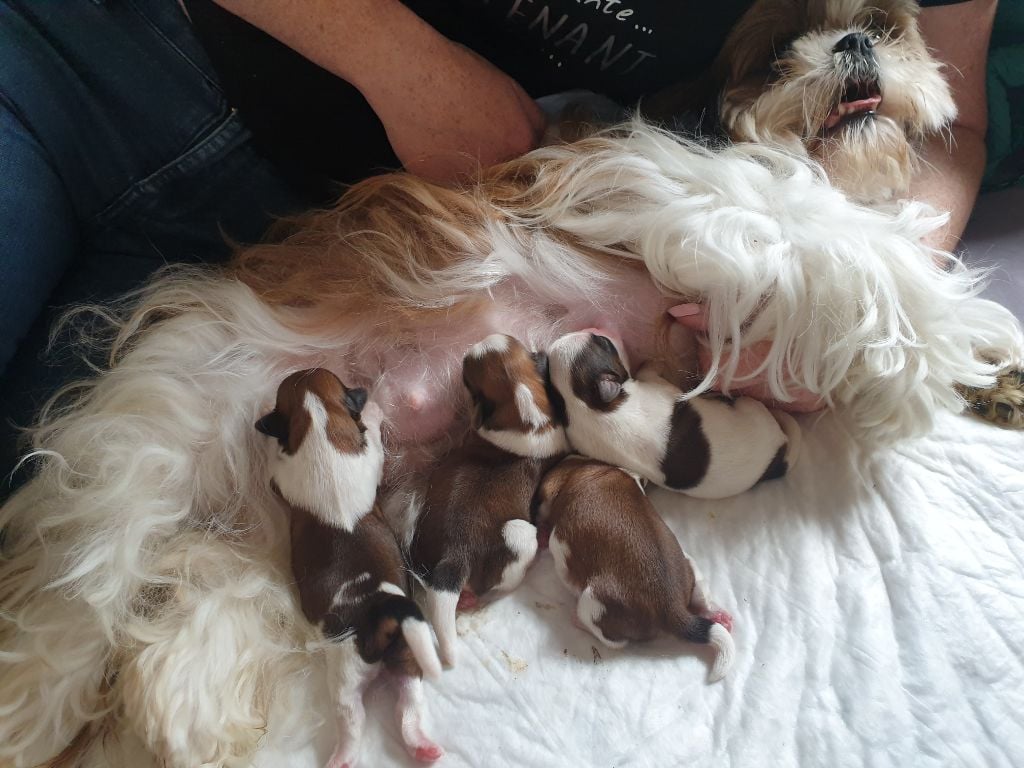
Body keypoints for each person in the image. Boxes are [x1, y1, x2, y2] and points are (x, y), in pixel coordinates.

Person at [0, 0, 989, 490]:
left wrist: (900, 271)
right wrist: (405, 65)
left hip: (302, 244)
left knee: (65, 562)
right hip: (105, 61)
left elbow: (953, 121)